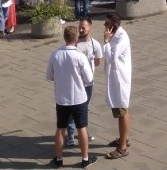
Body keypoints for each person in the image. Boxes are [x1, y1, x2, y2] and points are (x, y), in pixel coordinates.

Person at [46, 24, 97, 169]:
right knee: (82, 128)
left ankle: (59, 159)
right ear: (75, 38)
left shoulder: (55, 54)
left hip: (61, 99)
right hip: (79, 98)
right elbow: (89, 79)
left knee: (60, 129)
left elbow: (49, 76)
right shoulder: (80, 56)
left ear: (64, 37)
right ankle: (85, 159)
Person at [66, 18, 103, 147]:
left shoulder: (95, 44)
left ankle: (83, 132)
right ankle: (70, 134)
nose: (81, 30)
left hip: (88, 84)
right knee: (71, 109)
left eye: (83, 27)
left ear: (90, 28)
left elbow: (98, 61)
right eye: (79, 27)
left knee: (85, 108)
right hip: (75, 83)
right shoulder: (75, 44)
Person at [103, 12, 131, 160]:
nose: (105, 27)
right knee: (121, 109)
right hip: (115, 78)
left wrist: (106, 42)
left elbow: (111, 57)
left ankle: (122, 147)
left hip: (119, 79)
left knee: (122, 111)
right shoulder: (116, 35)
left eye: (107, 24)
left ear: (114, 25)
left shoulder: (121, 37)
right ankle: (123, 138)